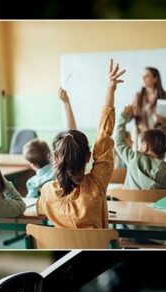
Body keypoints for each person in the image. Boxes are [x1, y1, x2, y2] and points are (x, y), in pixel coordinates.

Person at [37, 59, 125, 229]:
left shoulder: (47, 192)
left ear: (55, 158)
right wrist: (110, 89)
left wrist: (66, 104)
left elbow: (70, 145)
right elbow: (103, 136)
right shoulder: (97, 184)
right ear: (88, 157)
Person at [22, 87, 78, 198]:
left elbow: (30, 205)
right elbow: (73, 135)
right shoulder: (62, 170)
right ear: (51, 155)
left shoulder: (33, 183)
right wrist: (66, 103)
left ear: (33, 165)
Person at [114, 104, 166, 192]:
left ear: (145, 146)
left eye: (139, 145)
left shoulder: (134, 158)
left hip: (132, 206)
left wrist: (123, 116)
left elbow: (118, 141)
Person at [132, 67, 166, 139]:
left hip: (160, 137)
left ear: (155, 79)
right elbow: (132, 116)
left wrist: (162, 119)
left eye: (147, 76)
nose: (143, 79)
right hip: (143, 137)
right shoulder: (137, 97)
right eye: (143, 76)